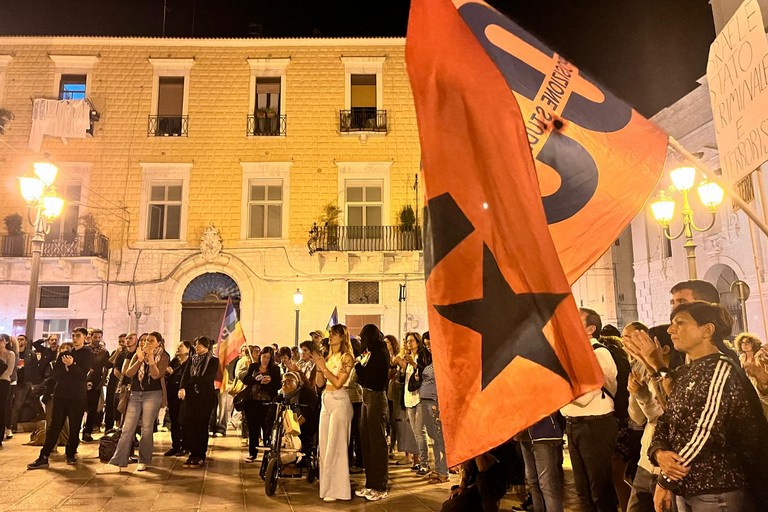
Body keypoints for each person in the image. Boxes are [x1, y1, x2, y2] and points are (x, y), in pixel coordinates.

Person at [650, 301, 768, 512]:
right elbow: (668, 418)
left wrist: (665, 479)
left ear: (707, 330)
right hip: (689, 484)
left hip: (716, 489)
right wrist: (659, 452)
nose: (671, 329)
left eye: (680, 322)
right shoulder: (688, 371)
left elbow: (703, 431)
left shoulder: (720, 369)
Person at [560, 308, 618, 511]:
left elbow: (585, 396)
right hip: (574, 423)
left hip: (595, 425)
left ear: (590, 329)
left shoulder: (599, 353)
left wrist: (555, 391)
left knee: (599, 490)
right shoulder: (574, 355)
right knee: (582, 490)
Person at [97, 331, 170, 473]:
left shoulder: (163, 356)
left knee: (146, 428)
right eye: (144, 340)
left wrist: (150, 359)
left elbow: (156, 375)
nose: (146, 343)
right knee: (127, 428)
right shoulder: (137, 354)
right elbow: (128, 373)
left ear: (159, 343)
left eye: (150, 340)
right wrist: (140, 359)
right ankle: (117, 462)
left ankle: (144, 460)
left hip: (153, 394)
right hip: (136, 393)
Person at [27, 327, 93, 469]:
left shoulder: (88, 353)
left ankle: (70, 454)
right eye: (73, 335)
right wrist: (68, 369)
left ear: (85, 338)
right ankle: (43, 456)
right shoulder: (65, 354)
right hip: (61, 395)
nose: (75, 338)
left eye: (78, 336)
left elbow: (82, 375)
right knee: (54, 427)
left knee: (75, 427)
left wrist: (71, 366)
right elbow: (56, 374)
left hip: (77, 397)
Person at [313, 323, 355, 502]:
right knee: (324, 446)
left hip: (339, 401)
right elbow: (320, 383)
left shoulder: (347, 358)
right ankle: (327, 488)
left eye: (334, 334)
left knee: (335, 446)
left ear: (342, 337)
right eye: (330, 333)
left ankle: (339, 490)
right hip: (326, 400)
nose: (330, 336)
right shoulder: (328, 356)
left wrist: (324, 368)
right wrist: (318, 366)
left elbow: (338, 382)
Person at [354, 324, 391, 501]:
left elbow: (370, 376)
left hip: (376, 397)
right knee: (366, 442)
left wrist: (359, 368)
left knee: (377, 443)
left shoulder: (381, 352)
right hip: (367, 397)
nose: (361, 341)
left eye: (363, 337)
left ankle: (380, 485)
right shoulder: (370, 353)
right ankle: (370, 483)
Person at [178, 336, 218, 468]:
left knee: (201, 426)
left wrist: (193, 381)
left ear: (206, 346)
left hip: (204, 397)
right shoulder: (192, 359)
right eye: (196, 345)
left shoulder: (212, 361)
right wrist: (182, 387)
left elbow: (207, 378)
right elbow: (185, 375)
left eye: (199, 345)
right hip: (191, 397)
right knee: (190, 426)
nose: (197, 347)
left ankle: (200, 454)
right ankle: (192, 454)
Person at [396, 331, 430, 475]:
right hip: (408, 397)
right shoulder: (407, 357)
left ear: (418, 342)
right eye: (407, 341)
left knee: (420, 431)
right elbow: (403, 379)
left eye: (412, 341)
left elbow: (426, 374)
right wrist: (403, 369)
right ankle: (419, 461)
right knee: (415, 432)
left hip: (420, 397)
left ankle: (424, 463)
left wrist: (414, 364)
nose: (409, 344)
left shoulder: (422, 357)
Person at [241, 346, 281, 463]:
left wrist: (270, 381)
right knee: (253, 429)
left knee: (267, 429)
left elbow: (278, 385)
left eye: (268, 357)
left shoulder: (275, 369)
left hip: (267, 403)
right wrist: (255, 379)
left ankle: (268, 454)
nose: (265, 360)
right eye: (264, 357)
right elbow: (246, 380)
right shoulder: (253, 366)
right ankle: (252, 453)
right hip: (252, 402)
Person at [736, 332, 768, 419]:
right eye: (742, 342)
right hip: (748, 389)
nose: (744, 345)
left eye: (747, 342)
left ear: (753, 344)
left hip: (761, 388)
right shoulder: (741, 358)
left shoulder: (760, 356)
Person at [0, 334, 15, 448]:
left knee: (2, 409)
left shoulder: (10, 354)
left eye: (1, 341)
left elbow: (9, 371)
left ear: (5, 342)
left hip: (4, 382)